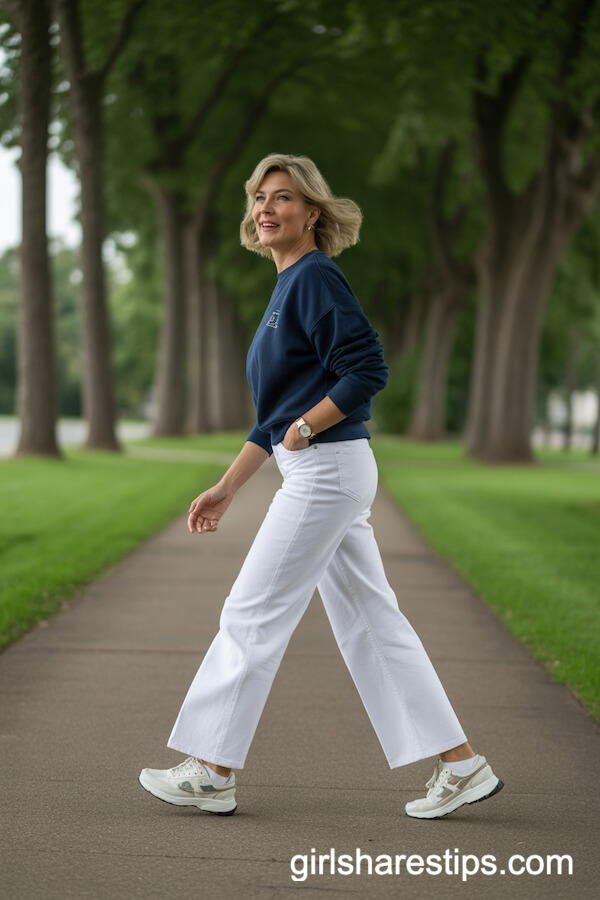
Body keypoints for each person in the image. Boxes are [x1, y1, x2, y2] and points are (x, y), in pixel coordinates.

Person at [138, 153, 503, 820]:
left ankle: (213, 769)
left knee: (253, 611)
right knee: (372, 622)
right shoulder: (286, 288)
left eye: (283, 197)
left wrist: (307, 427)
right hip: (324, 468)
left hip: (327, 468)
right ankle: (461, 764)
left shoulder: (314, 279)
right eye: (259, 198)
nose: (265, 208)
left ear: (312, 213)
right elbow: (270, 419)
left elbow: (367, 369)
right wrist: (227, 487)